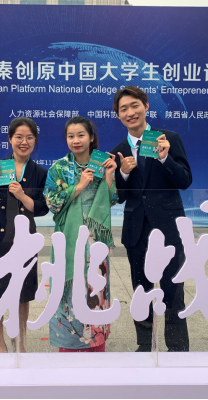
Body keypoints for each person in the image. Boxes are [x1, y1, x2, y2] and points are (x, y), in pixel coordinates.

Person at [110, 86, 192, 352]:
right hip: (136, 231)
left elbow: (185, 180)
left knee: (173, 290)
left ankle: (177, 348)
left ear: (146, 106)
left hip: (168, 228)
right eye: (123, 109)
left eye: (135, 106)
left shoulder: (169, 139)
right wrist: (123, 174)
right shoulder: (118, 151)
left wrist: (165, 158)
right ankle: (145, 346)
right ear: (118, 115)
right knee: (141, 291)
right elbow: (119, 196)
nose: (130, 113)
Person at [0, 117, 49, 353]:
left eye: (29, 138)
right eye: (19, 137)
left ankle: (21, 345)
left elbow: (43, 208)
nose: (24, 142)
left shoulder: (40, 172)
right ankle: (0, 346)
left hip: (25, 240)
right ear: (10, 139)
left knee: (22, 293)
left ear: (35, 141)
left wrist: (22, 196)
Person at [44, 116, 118, 352]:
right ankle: (68, 345)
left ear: (91, 137)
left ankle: (96, 343)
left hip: (95, 240)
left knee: (96, 288)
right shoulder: (59, 168)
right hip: (69, 237)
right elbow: (52, 203)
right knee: (68, 288)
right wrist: (79, 186)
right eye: (70, 136)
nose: (76, 140)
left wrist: (109, 175)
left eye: (81, 135)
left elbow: (112, 199)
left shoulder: (101, 163)